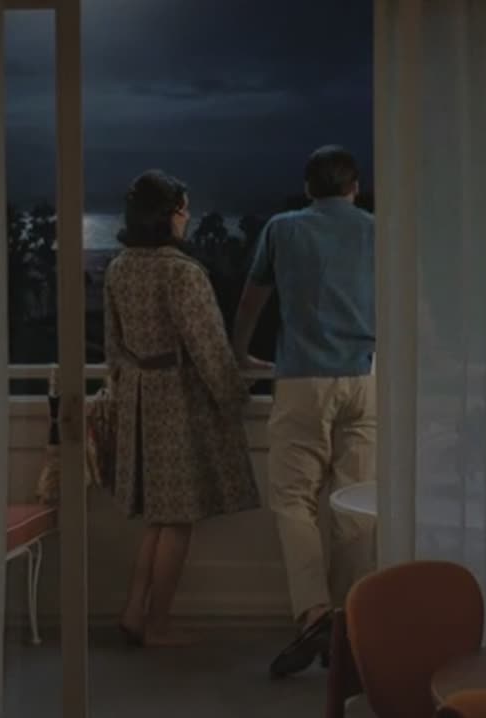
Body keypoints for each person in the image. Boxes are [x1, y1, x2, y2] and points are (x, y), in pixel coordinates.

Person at [232, 145, 376, 677]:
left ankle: (315, 613)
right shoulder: (376, 231)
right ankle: (353, 622)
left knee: (294, 498)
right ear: (354, 187)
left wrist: (240, 351)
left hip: (301, 379)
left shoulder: (283, 229)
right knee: (356, 501)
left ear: (309, 187)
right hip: (365, 377)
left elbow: (252, 300)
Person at [106, 169, 260, 647]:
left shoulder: (119, 267)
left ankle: (134, 611)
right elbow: (209, 346)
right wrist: (234, 397)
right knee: (177, 520)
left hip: (139, 399)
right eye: (182, 209)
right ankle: (157, 625)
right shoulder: (182, 272)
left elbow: (113, 348)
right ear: (166, 215)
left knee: (159, 517)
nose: (187, 217)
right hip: (176, 402)